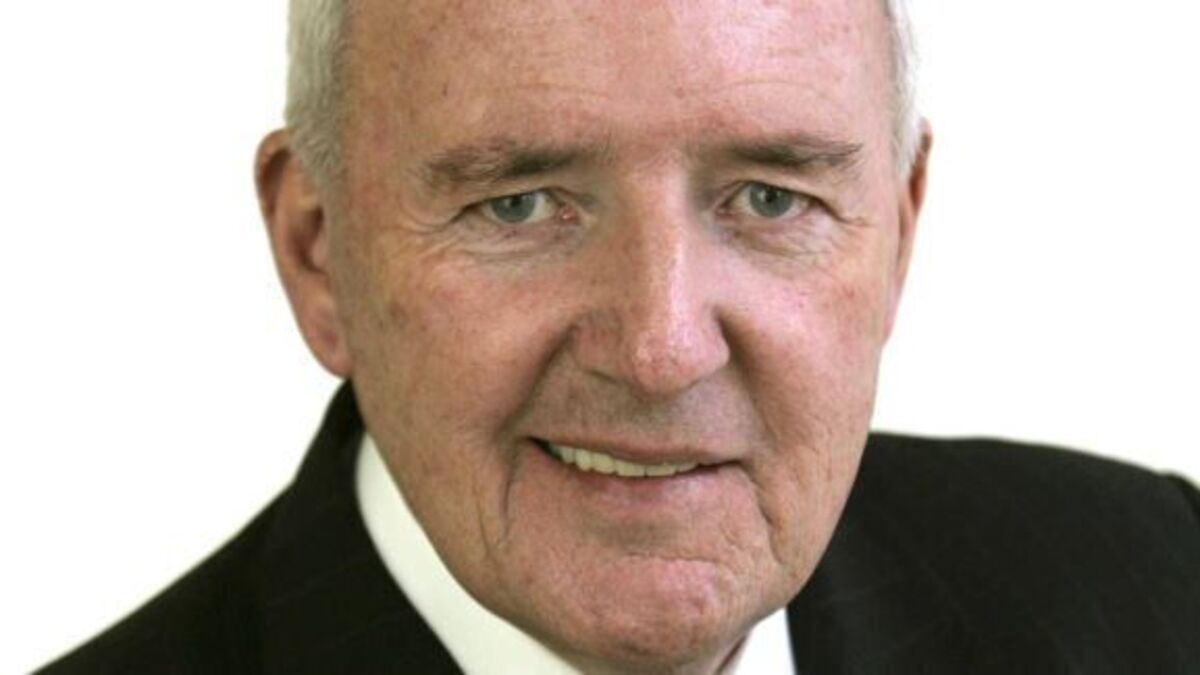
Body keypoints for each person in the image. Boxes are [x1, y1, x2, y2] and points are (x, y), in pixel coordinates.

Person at [39, 0, 1200, 673]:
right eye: (519, 205)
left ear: (897, 231)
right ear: (318, 251)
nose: (661, 349)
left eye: (770, 198)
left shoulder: (1157, 591)